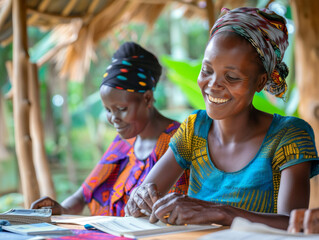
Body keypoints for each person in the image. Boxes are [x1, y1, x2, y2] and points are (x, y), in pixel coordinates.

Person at [125, 7, 319, 230]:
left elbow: (293, 224)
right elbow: (147, 192)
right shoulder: (194, 129)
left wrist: (219, 212)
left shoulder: (288, 135)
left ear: (260, 82)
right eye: (207, 70)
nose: (213, 85)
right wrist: (141, 198)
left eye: (232, 77)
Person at [30, 42, 189, 216]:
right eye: (108, 109)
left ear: (147, 98)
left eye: (121, 109)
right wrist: (61, 209)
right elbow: (83, 195)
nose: (114, 119)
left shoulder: (179, 140)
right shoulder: (124, 142)